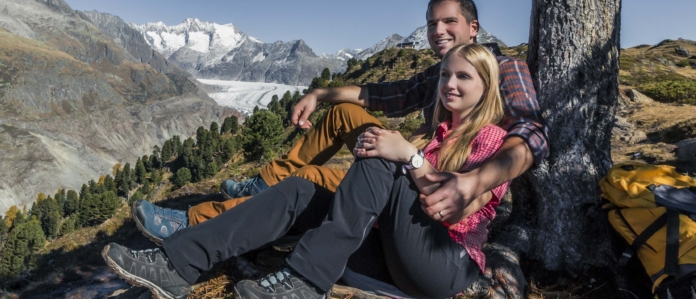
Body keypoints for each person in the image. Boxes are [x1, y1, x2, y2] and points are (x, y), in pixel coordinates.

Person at [132, 0, 547, 243]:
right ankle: (262, 184)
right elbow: (384, 94)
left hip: (426, 184)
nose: (438, 31)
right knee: (345, 111)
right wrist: (320, 93)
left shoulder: (503, 68)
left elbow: (533, 133)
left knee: (307, 181)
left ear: (473, 27)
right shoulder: (440, 73)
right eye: (431, 23)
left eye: (449, 22)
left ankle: (191, 222)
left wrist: (472, 183)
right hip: (410, 163)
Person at [104, 44, 511, 299]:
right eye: (445, 75)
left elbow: (453, 209)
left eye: (463, 77)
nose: (449, 84)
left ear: (485, 86)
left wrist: (407, 155)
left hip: (443, 267)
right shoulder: (436, 132)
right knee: (300, 190)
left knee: (383, 152)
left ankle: (305, 280)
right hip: (391, 255)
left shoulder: (492, 138)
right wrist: (404, 150)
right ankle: (179, 264)